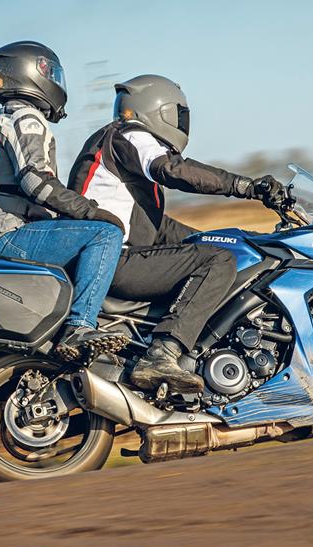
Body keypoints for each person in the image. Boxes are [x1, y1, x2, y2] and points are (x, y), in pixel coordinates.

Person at [68, 74, 286, 392]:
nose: (183, 123)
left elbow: (159, 229)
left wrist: (232, 237)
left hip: (116, 256)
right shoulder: (130, 135)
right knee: (217, 261)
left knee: (219, 252)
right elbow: (174, 171)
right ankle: (162, 354)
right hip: (113, 260)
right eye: (179, 114)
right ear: (158, 109)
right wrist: (245, 186)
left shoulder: (119, 153)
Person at [0, 41, 128, 360]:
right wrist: (91, 212)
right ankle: (80, 326)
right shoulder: (25, 118)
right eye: (52, 73)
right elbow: (36, 181)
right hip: (5, 236)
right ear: (33, 73)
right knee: (106, 235)